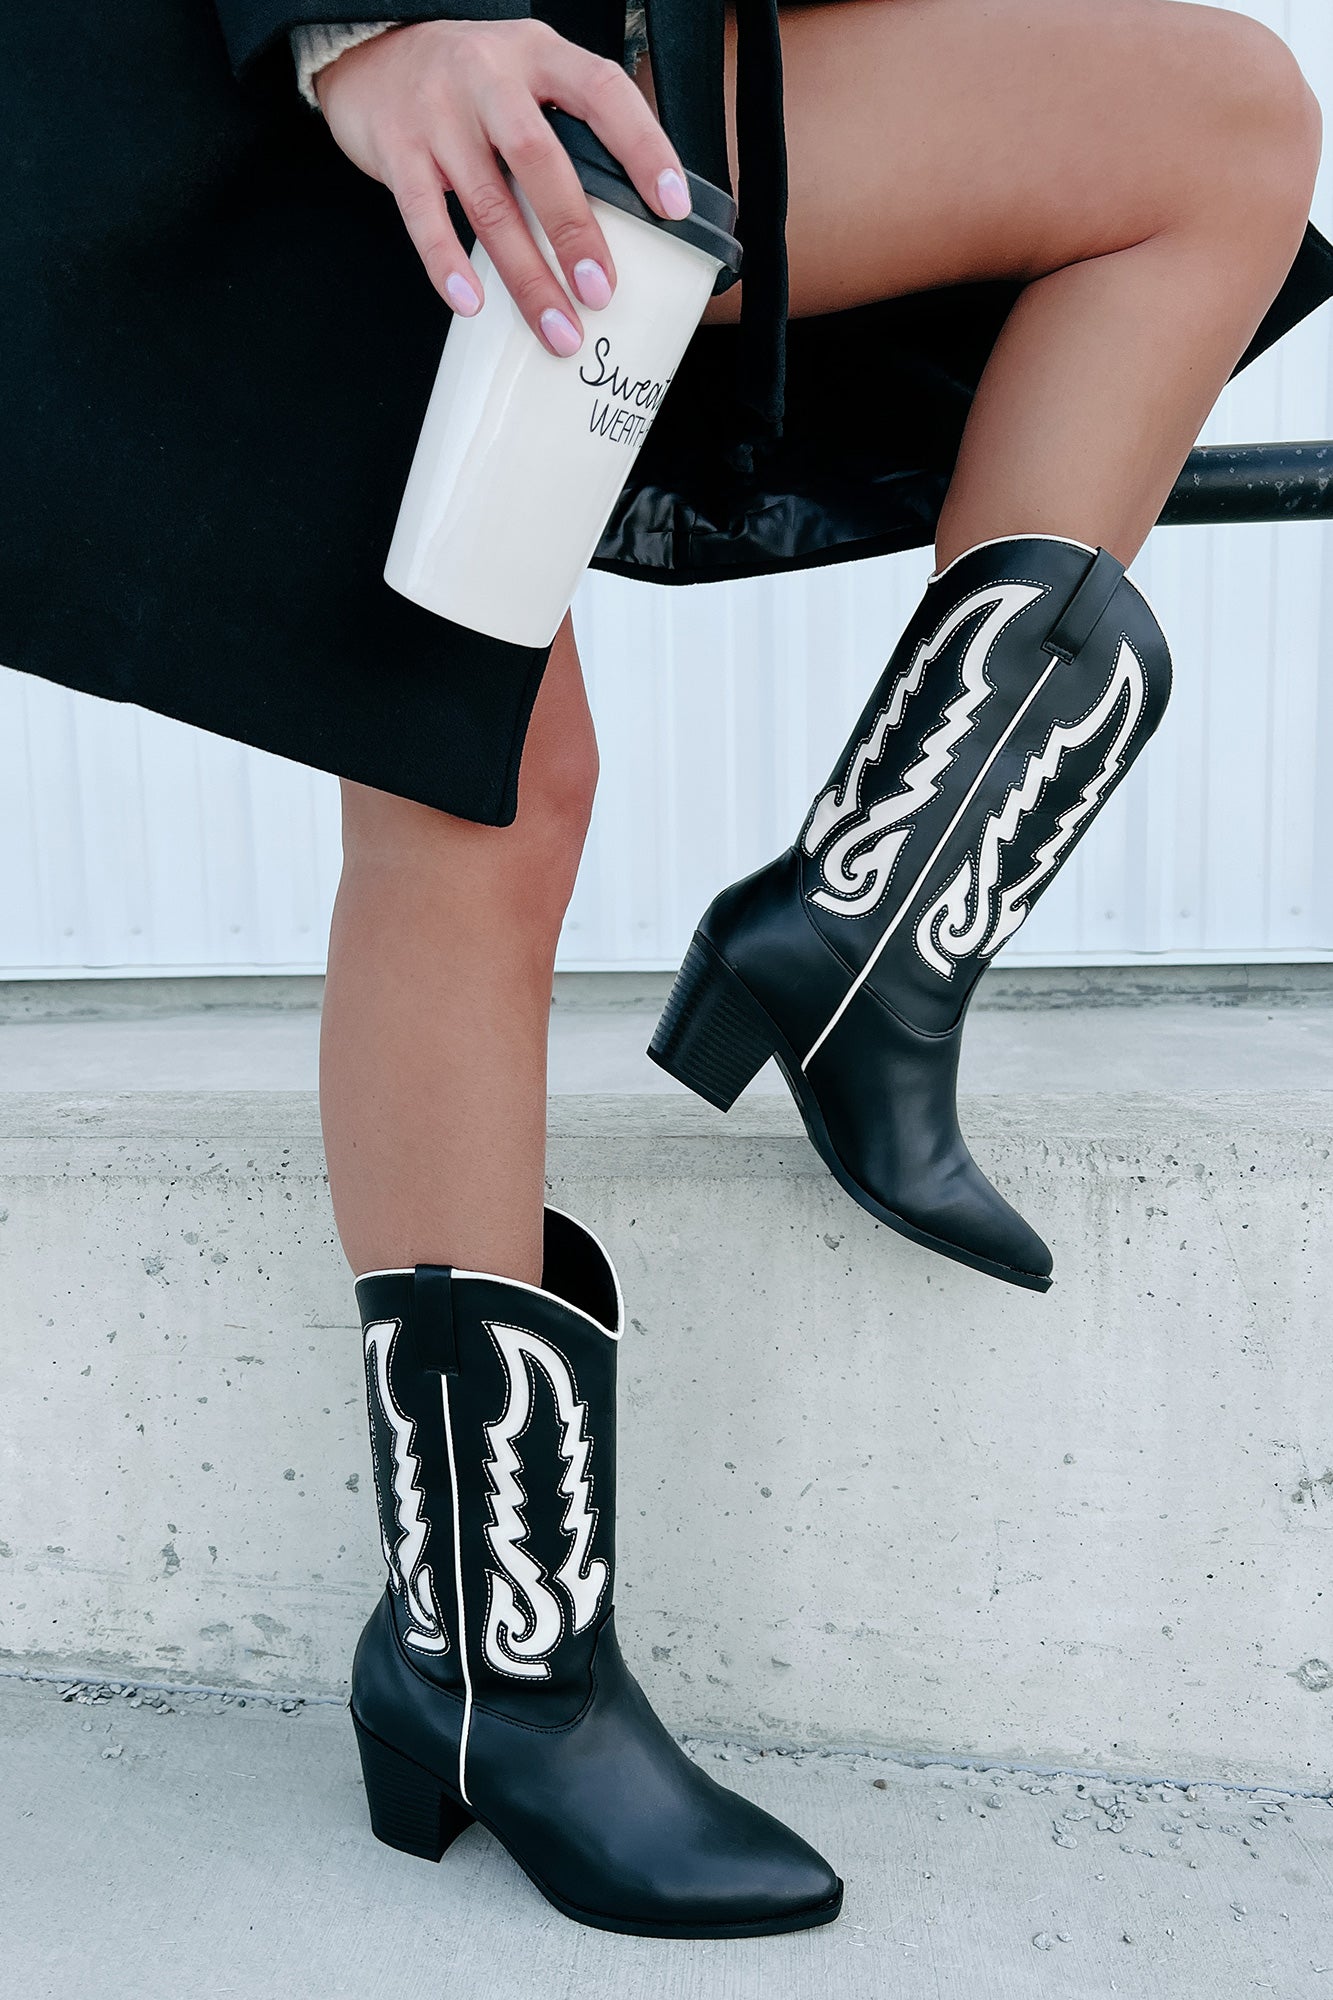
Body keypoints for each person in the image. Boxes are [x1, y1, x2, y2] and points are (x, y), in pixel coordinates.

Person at [2, 0, 1324, 1942]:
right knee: (489, 779)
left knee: (1206, 129)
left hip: (607, 50)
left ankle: (871, 936)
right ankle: (491, 1670)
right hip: (273, 92)